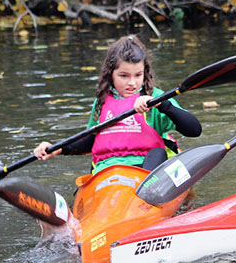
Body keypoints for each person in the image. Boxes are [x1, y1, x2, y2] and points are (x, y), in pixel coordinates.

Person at [33, 35, 202, 173]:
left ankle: (148, 202)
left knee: (158, 152)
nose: (132, 83)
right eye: (124, 76)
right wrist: (58, 148)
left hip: (148, 171)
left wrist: (162, 105)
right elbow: (93, 140)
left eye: (138, 75)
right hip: (108, 173)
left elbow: (194, 130)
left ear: (145, 73)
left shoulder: (155, 97)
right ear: (110, 74)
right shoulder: (102, 101)